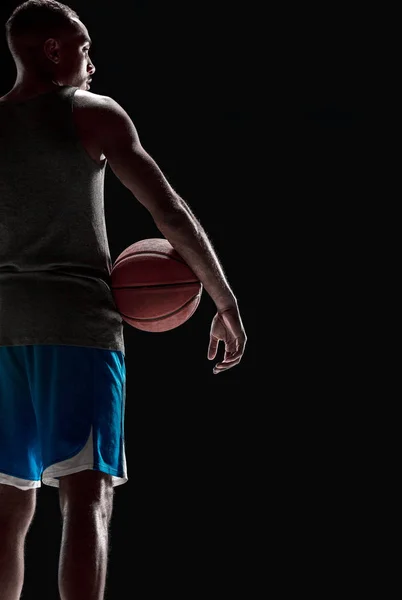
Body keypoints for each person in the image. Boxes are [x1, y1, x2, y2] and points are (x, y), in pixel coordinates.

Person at [0, 1, 247, 599]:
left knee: (7, 506)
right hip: (75, 326)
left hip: (3, 327)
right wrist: (225, 301)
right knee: (87, 497)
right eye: (83, 47)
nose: (92, 62)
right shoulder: (92, 114)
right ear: (54, 50)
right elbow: (170, 212)